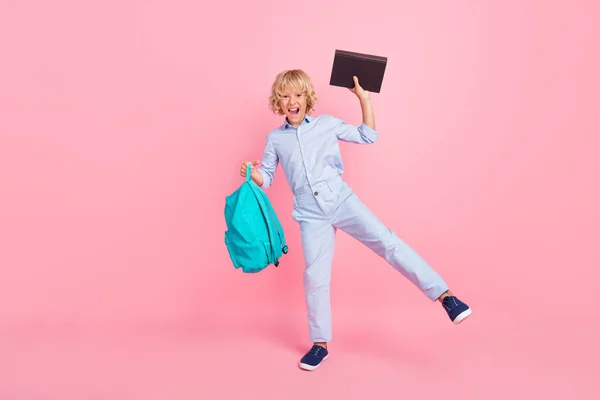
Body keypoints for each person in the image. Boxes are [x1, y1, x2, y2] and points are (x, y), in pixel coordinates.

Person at [239, 69, 471, 371]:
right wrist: (249, 172)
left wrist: (364, 99)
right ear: (278, 102)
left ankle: (446, 297)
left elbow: (368, 135)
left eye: (297, 95)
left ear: (307, 99)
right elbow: (266, 177)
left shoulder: (327, 124)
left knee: (388, 242)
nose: (291, 102)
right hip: (310, 215)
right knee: (315, 277)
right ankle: (319, 344)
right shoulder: (275, 139)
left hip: (342, 201)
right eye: (284, 97)